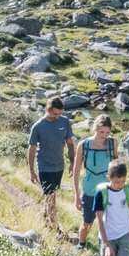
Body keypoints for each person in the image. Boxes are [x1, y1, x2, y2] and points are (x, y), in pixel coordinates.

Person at [26, 98, 76, 237]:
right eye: (55, 114)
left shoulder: (65, 122)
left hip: (59, 166)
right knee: (51, 196)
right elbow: (31, 149)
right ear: (48, 110)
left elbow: (70, 143)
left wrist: (72, 162)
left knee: (52, 194)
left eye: (59, 114)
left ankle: (45, 217)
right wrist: (31, 171)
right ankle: (55, 228)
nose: (57, 117)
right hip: (44, 166)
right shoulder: (38, 126)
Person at [73, 115, 118, 248]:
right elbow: (76, 171)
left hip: (108, 190)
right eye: (101, 132)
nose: (104, 135)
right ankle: (81, 244)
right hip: (90, 190)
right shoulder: (84, 145)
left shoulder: (112, 143)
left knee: (107, 222)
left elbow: (117, 167)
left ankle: (105, 247)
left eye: (107, 132)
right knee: (87, 222)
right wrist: (76, 195)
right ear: (95, 129)